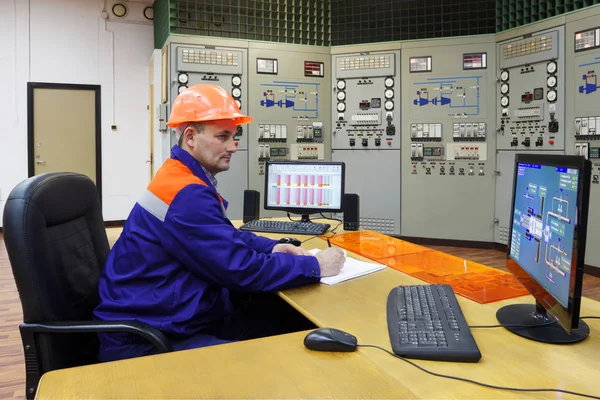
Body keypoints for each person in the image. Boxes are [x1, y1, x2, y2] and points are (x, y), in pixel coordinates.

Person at [93, 83, 345, 362]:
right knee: (274, 357)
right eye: (223, 136)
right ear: (190, 136)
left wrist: (272, 248)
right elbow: (240, 269)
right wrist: (315, 265)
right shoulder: (186, 194)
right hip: (149, 339)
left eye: (234, 136)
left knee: (278, 320)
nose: (233, 146)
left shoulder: (180, 177)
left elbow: (225, 237)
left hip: (163, 313)